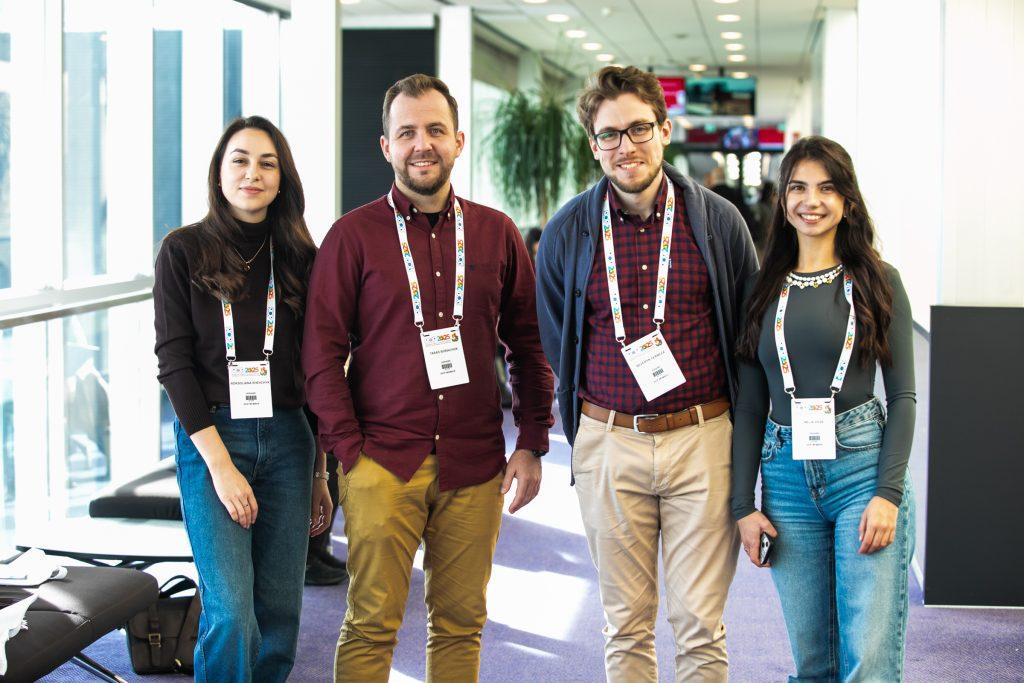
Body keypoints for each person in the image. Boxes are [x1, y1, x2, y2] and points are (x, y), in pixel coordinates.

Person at [302, 74, 554, 683]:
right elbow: (320, 356)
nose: (423, 144)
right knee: (371, 623)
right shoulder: (352, 236)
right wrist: (349, 451)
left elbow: (528, 345)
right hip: (383, 461)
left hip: (475, 463)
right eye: (407, 132)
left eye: (436, 130)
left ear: (458, 141)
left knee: (461, 624)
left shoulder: (496, 233)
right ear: (386, 146)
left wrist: (531, 442)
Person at [535, 66, 758, 682]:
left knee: (701, 626)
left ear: (664, 130)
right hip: (609, 441)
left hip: (702, 440)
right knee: (626, 626)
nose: (625, 146)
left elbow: (747, 336)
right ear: (593, 145)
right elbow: (555, 337)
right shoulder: (568, 230)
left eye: (638, 128)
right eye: (609, 134)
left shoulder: (718, 221)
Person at [731, 135, 916, 681]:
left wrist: (888, 494)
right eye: (798, 188)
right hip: (785, 479)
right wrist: (743, 505)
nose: (811, 201)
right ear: (783, 200)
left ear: (847, 201)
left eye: (827, 188)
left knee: (867, 663)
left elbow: (903, 396)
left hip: (862, 470)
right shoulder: (760, 288)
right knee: (813, 662)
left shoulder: (879, 280)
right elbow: (749, 407)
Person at [154, 116, 332, 682]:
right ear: (219, 172)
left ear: (282, 180)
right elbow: (174, 364)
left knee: (280, 611)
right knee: (232, 611)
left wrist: (320, 472)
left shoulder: (302, 258)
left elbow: (316, 369)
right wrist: (221, 466)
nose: (252, 173)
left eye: (267, 163)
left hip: (289, 438)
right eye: (240, 159)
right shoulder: (182, 251)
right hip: (213, 437)